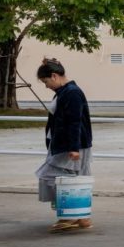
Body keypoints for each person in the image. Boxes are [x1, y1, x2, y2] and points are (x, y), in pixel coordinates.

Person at [34, 58, 94, 233]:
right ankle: (81, 217)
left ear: (54, 76)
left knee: (51, 176)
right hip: (68, 144)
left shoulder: (72, 93)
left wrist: (74, 148)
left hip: (71, 145)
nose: (46, 86)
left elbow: (74, 122)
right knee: (76, 178)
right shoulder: (65, 92)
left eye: (45, 82)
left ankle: (69, 216)